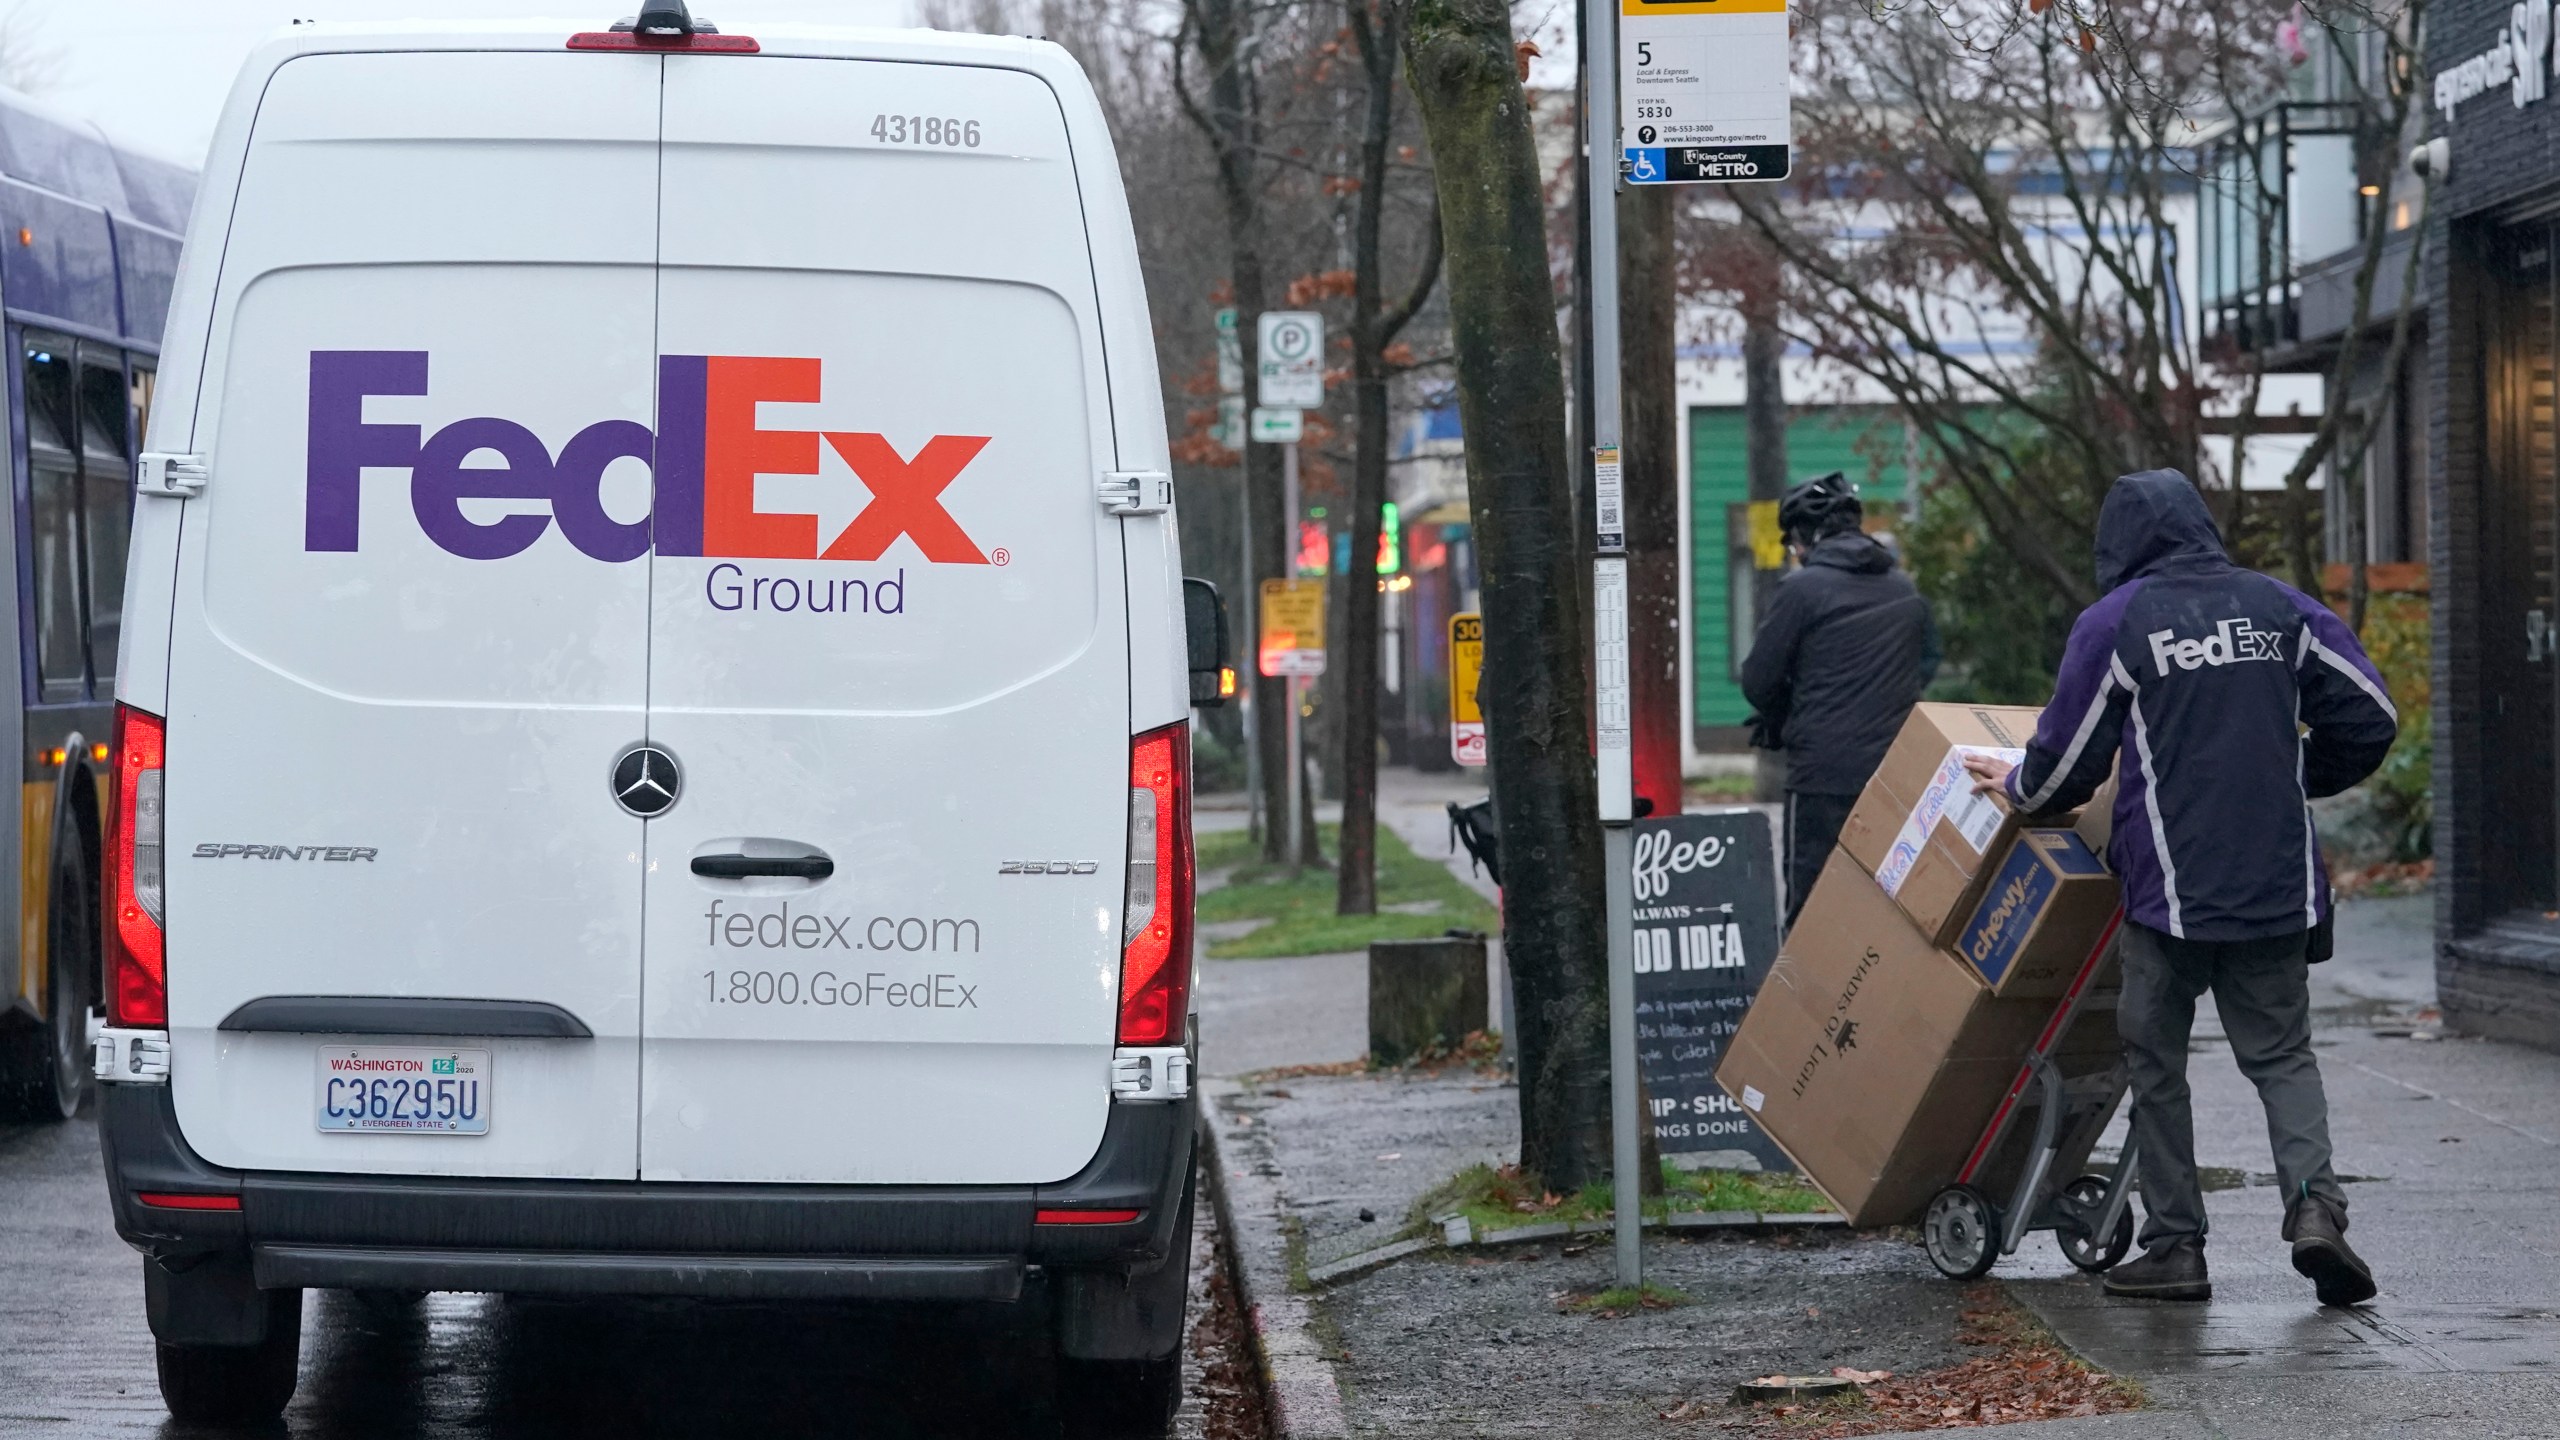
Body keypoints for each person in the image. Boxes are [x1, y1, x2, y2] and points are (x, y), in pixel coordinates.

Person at [1964, 470, 2397, 1308]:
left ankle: (2175, 1246)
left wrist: (2014, 785)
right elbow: (2371, 714)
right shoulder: (2283, 609)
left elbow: (2068, 768)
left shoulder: (2118, 624)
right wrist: (2295, 776)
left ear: (2118, 543)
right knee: (2281, 1057)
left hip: (2172, 894)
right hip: (2275, 883)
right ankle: (2317, 1212)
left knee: (2155, 1060)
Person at [1741, 471, 1939, 925]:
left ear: (1806, 536)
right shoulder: (1903, 589)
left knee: (1811, 914)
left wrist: (1786, 712)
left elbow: (1758, 679)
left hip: (1821, 778)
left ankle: (1807, 998)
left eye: (1793, 544)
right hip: (1894, 773)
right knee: (1884, 911)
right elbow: (1927, 659)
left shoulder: (1802, 591)